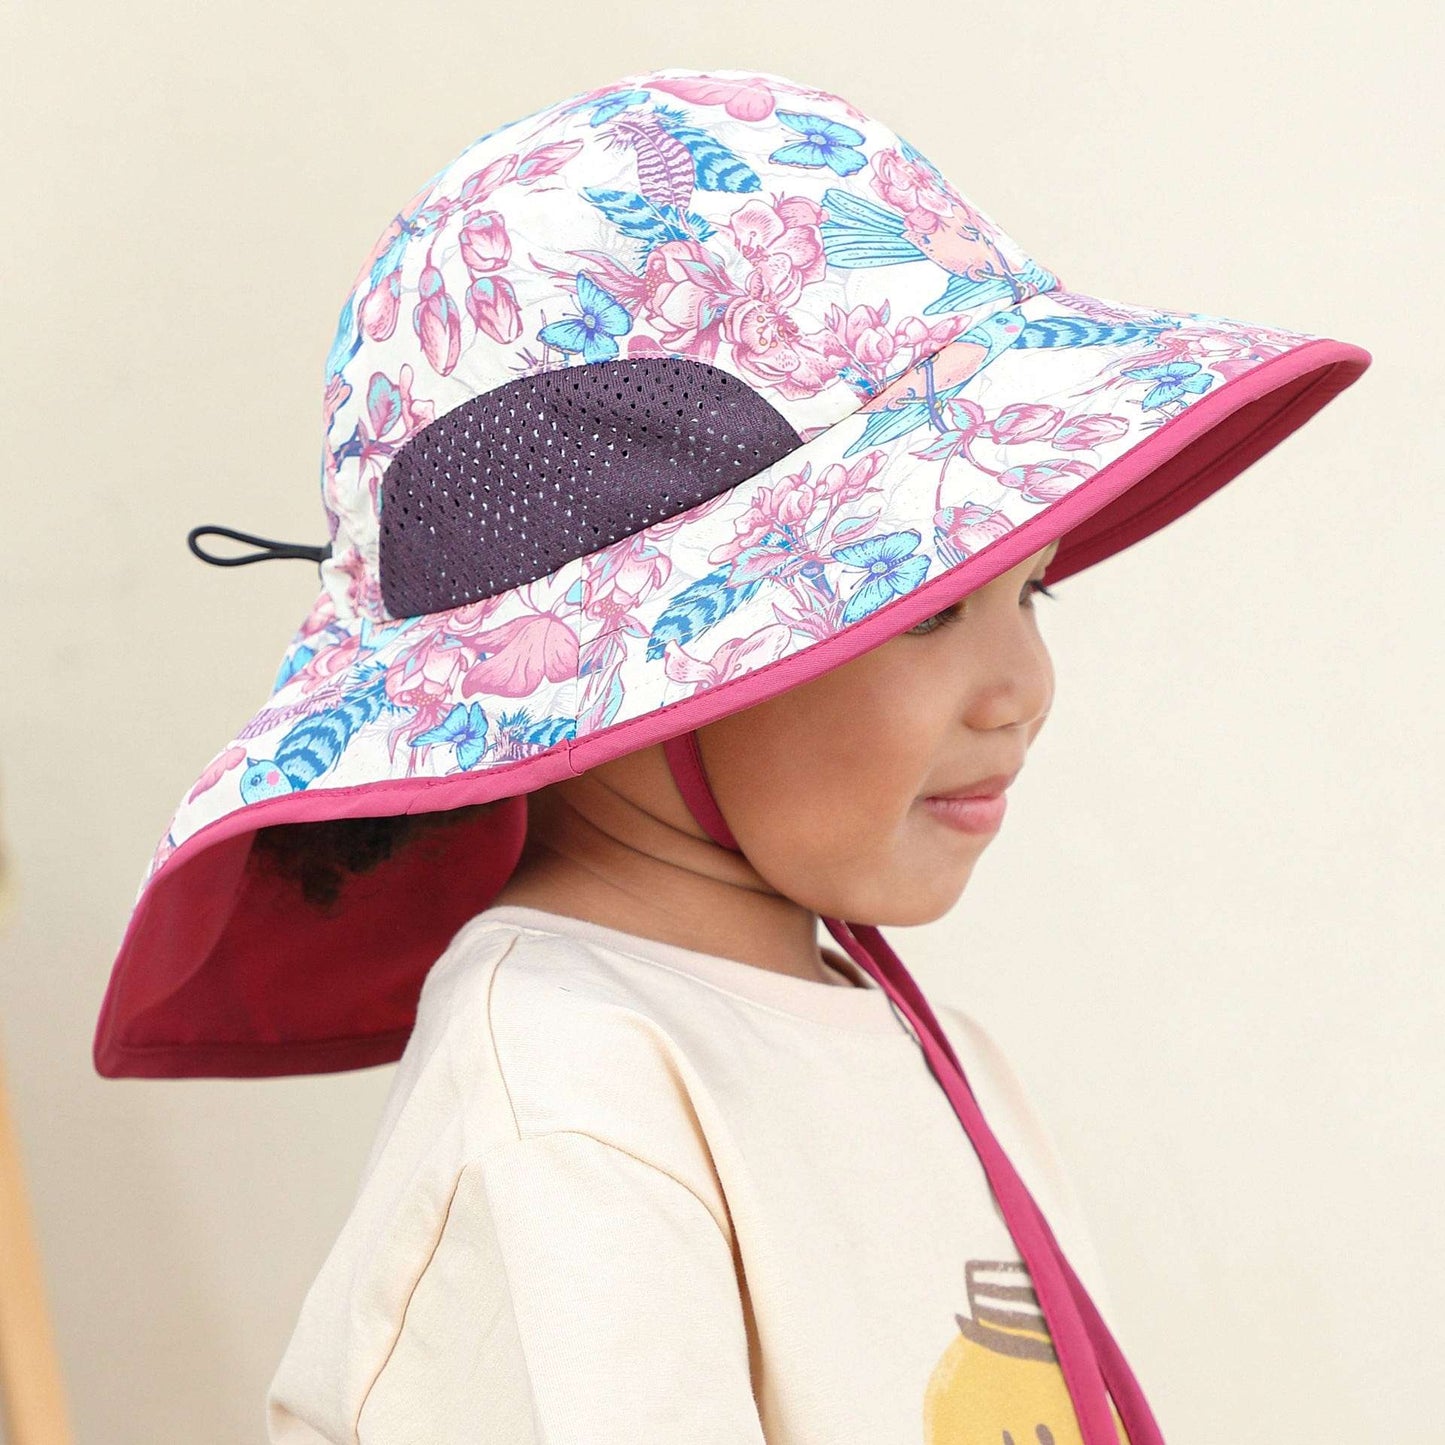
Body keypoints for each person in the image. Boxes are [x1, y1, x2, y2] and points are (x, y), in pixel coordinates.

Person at [90, 64, 1371, 1445]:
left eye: (1031, 591)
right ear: (653, 652)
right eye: (928, 604)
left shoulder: (909, 1047)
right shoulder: (571, 1095)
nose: (1023, 690)